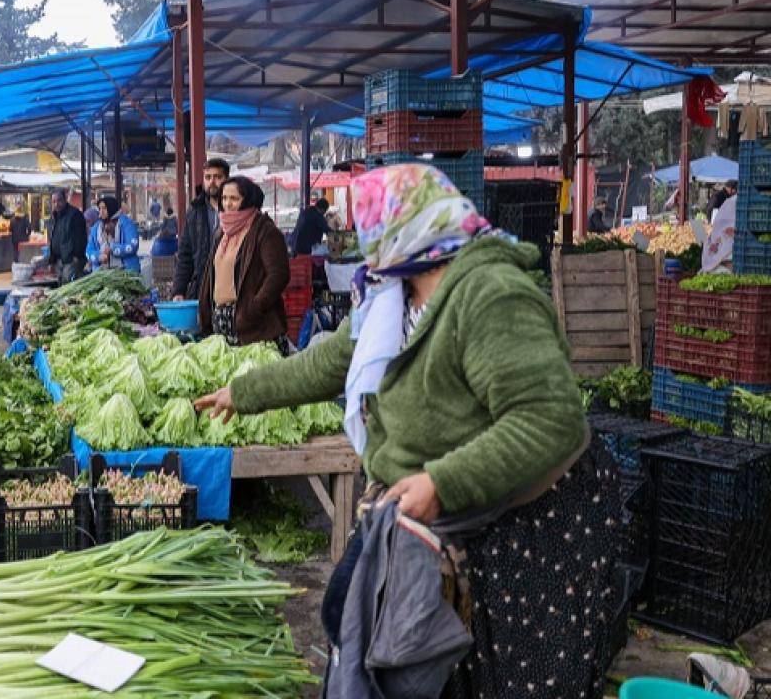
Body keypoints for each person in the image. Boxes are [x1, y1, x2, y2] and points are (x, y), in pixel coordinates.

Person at [196, 164, 610, 699]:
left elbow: (547, 419)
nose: (366, 252)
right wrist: (242, 392)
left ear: (409, 230)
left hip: (518, 532)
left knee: (501, 680)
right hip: (433, 520)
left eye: (373, 233)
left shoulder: (490, 294)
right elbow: (329, 365)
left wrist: (442, 483)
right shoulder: (395, 292)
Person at [197, 176, 290, 347]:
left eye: (234, 198)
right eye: (224, 198)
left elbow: (278, 275)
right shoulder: (222, 233)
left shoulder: (264, 231)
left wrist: (253, 309)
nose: (228, 204)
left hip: (254, 327)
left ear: (247, 200)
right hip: (222, 322)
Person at [172, 158, 229, 300]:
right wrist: (179, 290)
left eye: (218, 177)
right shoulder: (195, 211)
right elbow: (185, 254)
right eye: (208, 177)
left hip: (230, 285)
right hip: (202, 286)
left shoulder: (235, 208)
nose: (212, 182)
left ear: (227, 179)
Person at [86, 195, 140, 273]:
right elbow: (89, 250)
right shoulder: (96, 227)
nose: (101, 211)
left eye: (104, 208)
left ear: (111, 208)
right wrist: (99, 256)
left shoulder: (127, 224)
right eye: (100, 208)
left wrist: (112, 249)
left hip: (125, 272)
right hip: (102, 273)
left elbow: (133, 245)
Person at [47, 188, 86, 284]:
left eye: (59, 200)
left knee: (68, 286)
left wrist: (76, 256)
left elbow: (81, 238)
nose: (56, 204)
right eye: (54, 201)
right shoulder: (54, 217)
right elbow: (52, 239)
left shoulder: (75, 214)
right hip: (58, 260)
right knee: (61, 285)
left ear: (65, 199)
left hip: (71, 260)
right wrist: (51, 261)